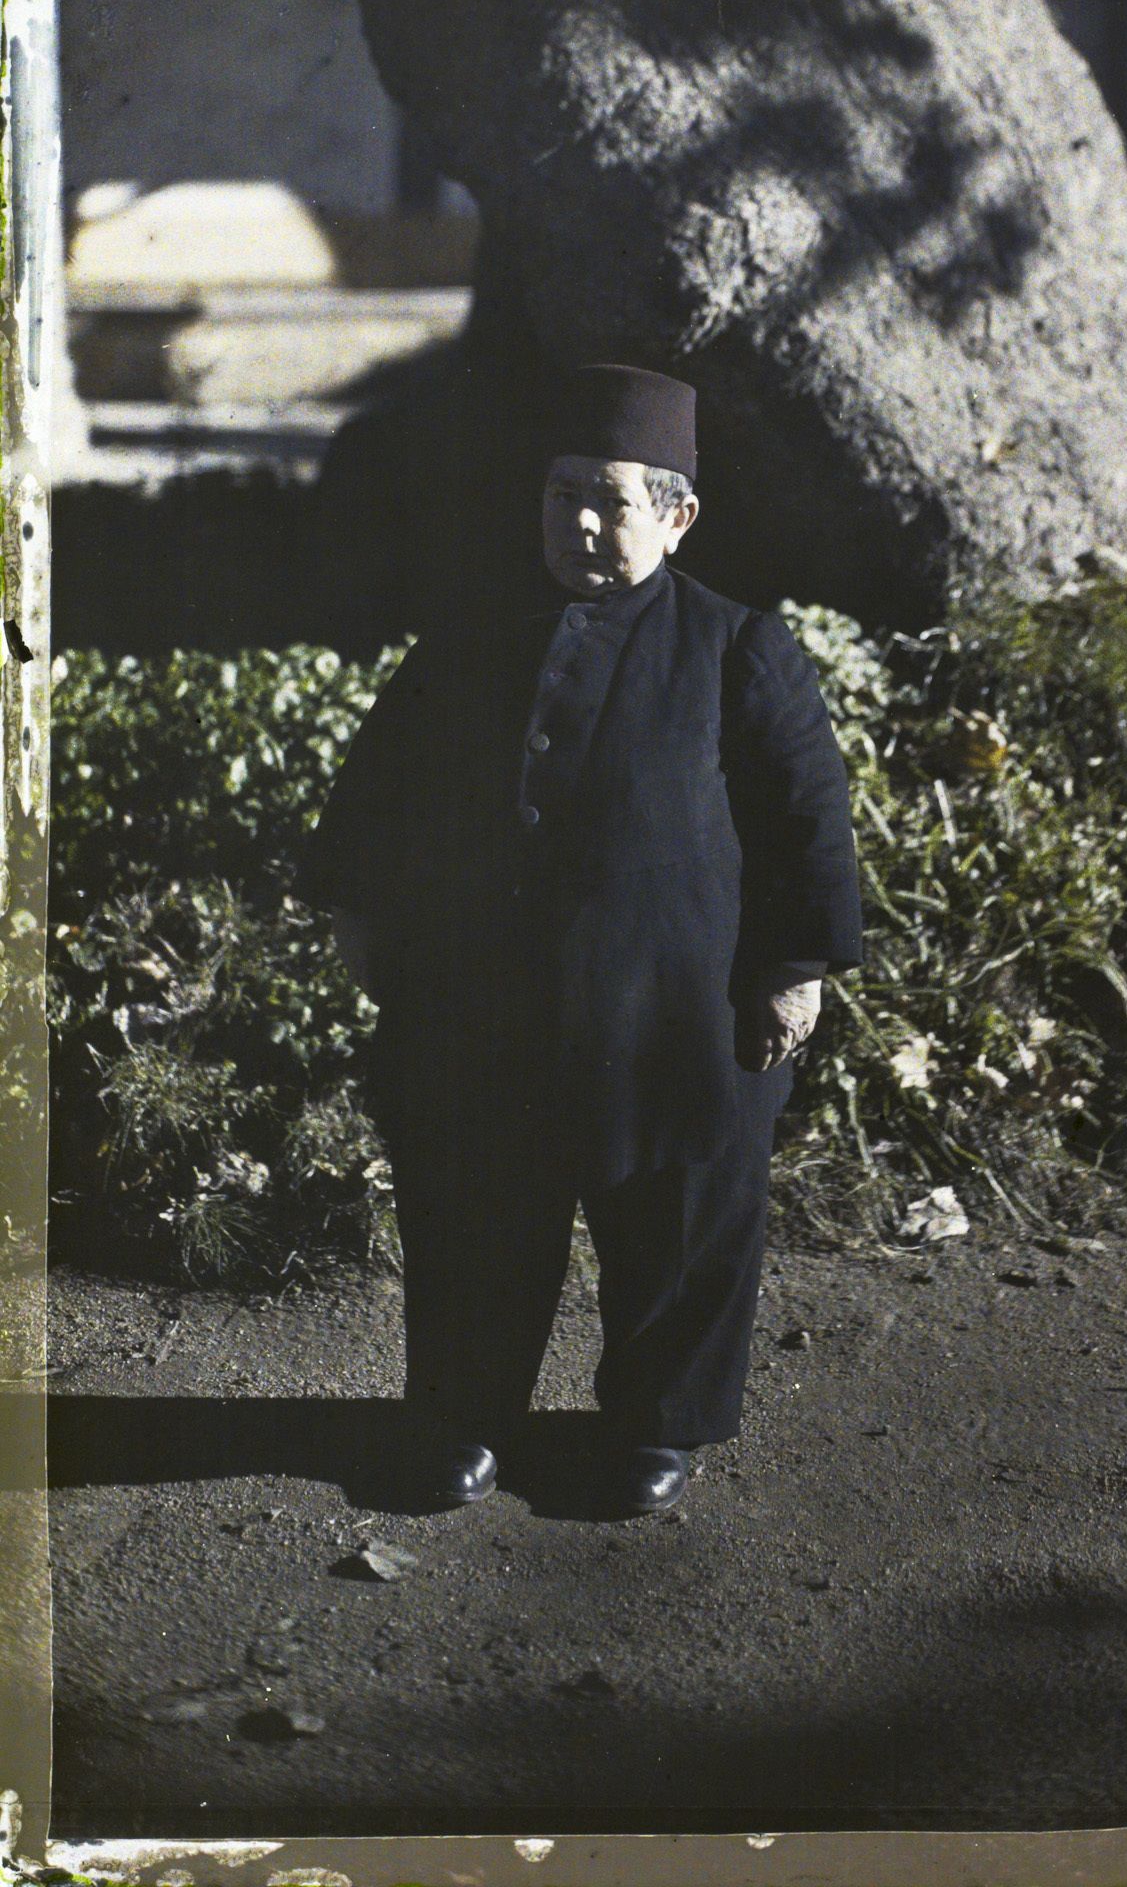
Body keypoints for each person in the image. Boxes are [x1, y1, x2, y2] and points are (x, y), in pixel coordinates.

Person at [298, 363, 862, 1516]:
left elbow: (806, 820)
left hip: (677, 1009)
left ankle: (660, 1423)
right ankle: (461, 1414)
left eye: (609, 500)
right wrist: (361, 917)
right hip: (485, 1005)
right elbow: (379, 789)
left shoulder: (735, 646)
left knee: (679, 1222)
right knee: (475, 1218)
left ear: (676, 514)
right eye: (562, 497)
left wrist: (794, 969)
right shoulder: (466, 639)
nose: (583, 524)